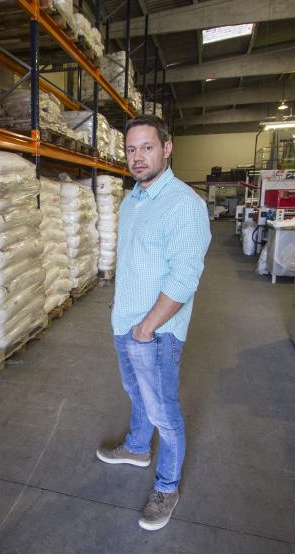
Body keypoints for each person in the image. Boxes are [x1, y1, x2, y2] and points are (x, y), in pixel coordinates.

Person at [96, 114, 211, 531]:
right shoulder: (133, 199)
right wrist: (124, 317)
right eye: (131, 149)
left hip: (156, 332)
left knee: (163, 409)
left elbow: (184, 279)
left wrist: (146, 328)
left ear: (167, 147)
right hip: (125, 322)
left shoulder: (185, 205)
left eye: (147, 147)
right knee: (137, 394)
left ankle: (167, 486)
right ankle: (137, 448)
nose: (138, 157)